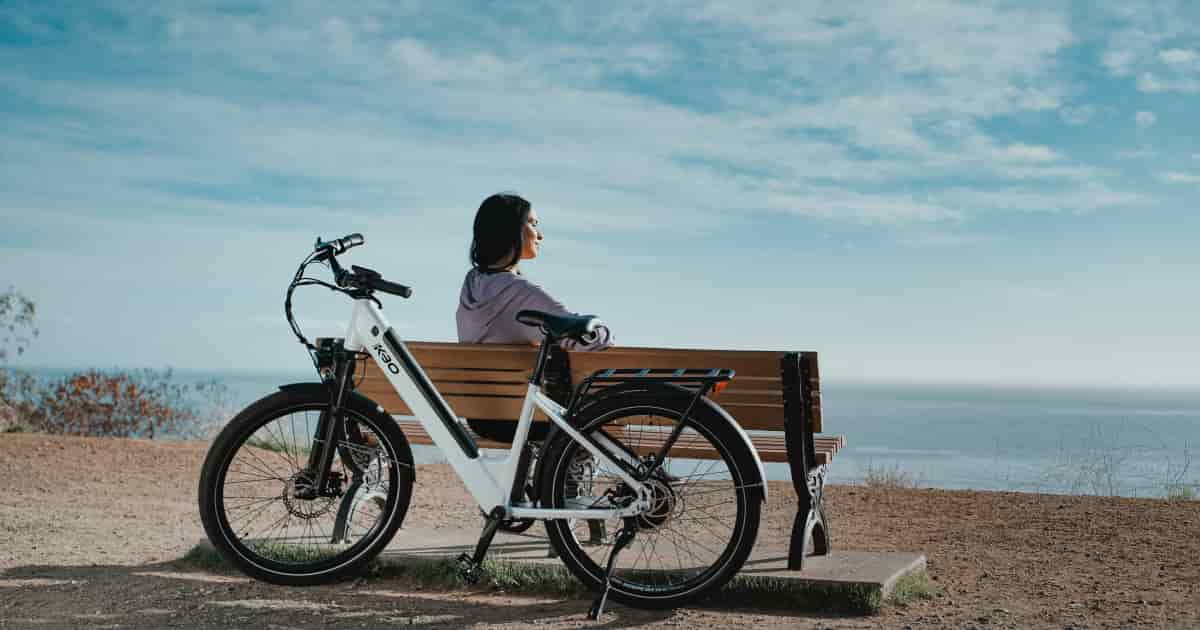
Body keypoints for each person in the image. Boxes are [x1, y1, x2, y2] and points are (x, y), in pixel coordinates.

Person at [456, 193, 613, 443]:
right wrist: (604, 331)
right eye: (533, 224)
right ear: (510, 230)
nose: (539, 235)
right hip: (530, 417)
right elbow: (585, 339)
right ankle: (571, 478)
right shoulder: (519, 292)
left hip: (482, 418)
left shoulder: (472, 283)